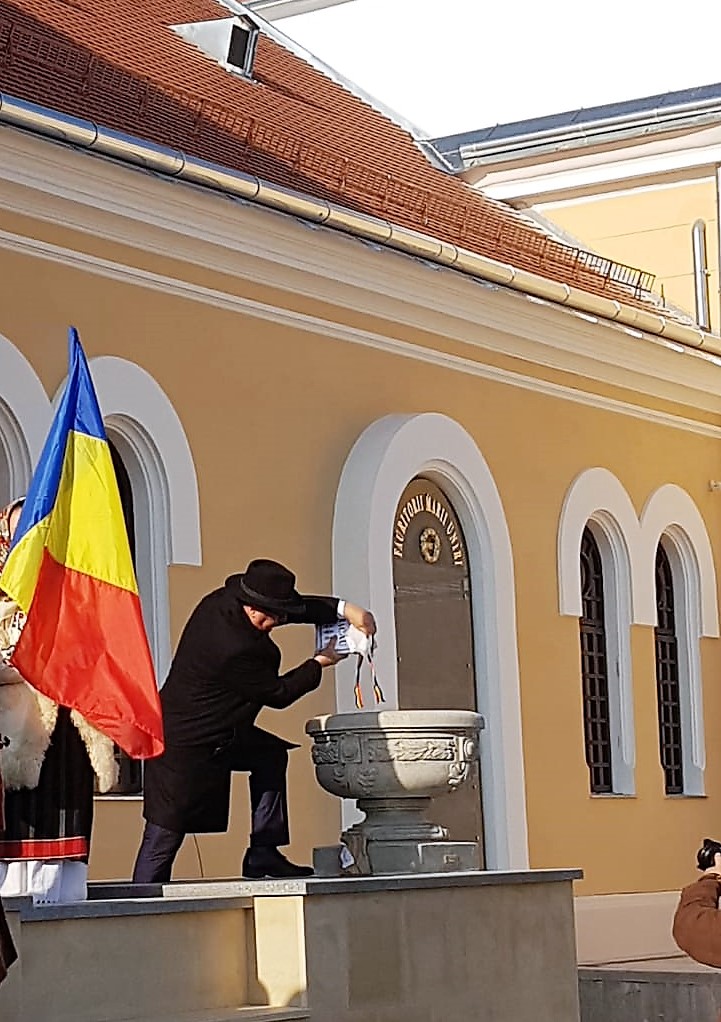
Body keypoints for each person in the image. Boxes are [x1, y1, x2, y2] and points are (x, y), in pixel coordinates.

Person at [133, 558, 375, 882]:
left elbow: (293, 609)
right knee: (164, 833)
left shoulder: (227, 601)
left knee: (269, 757)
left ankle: (263, 853)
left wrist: (346, 610)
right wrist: (320, 661)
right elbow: (278, 694)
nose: (277, 622)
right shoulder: (232, 646)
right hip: (184, 742)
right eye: (272, 616)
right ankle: (142, 900)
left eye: (280, 614)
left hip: (223, 731)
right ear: (251, 606)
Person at [0, 499, 118, 903]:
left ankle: (64, 901)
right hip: (17, 724)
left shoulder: (70, 585)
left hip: (69, 720)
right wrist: (28, 661)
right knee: (22, 821)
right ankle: (21, 905)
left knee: (66, 811)